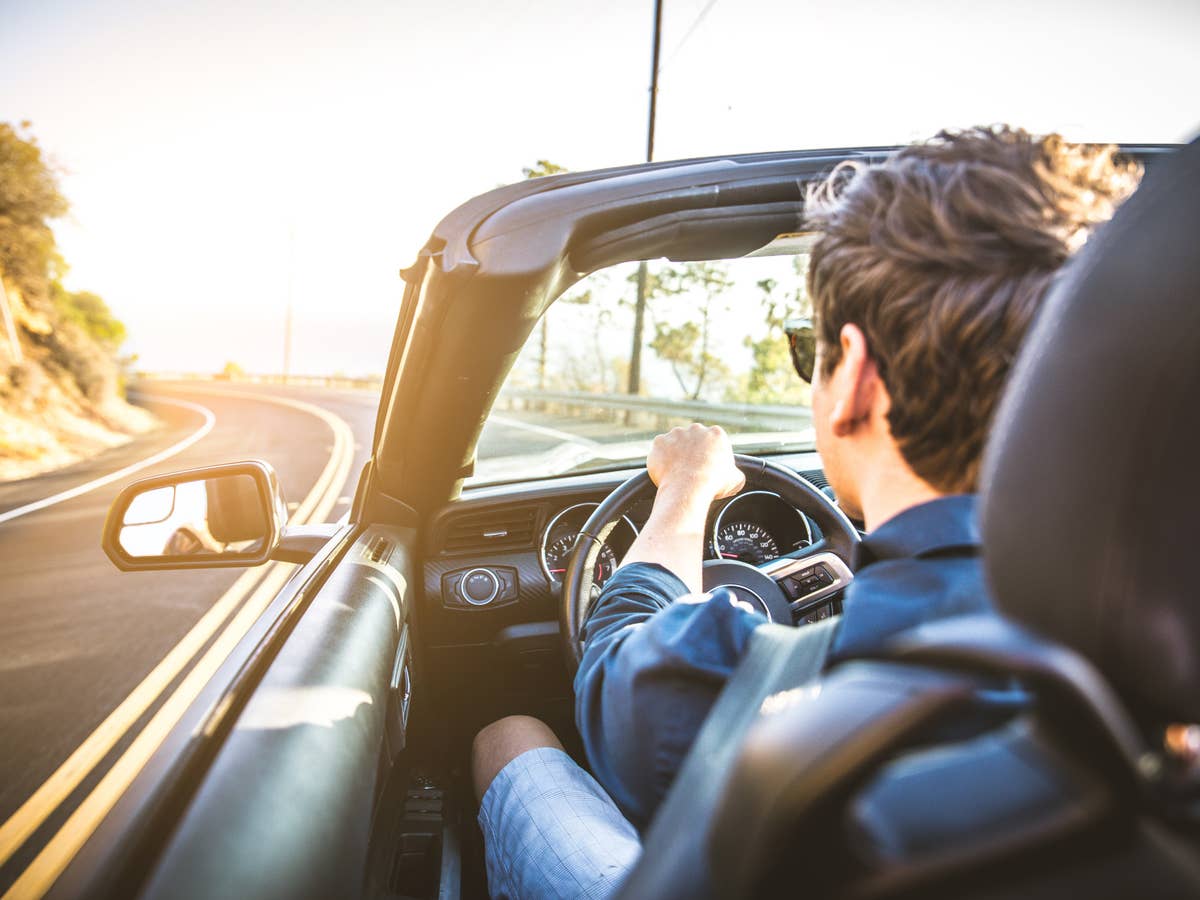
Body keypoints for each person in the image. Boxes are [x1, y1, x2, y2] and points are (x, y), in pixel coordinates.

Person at [471, 126, 1141, 899]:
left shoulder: (733, 684)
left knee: (510, 735)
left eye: (809, 351)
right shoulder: (1158, 656)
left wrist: (685, 489)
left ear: (853, 375)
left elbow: (613, 655)